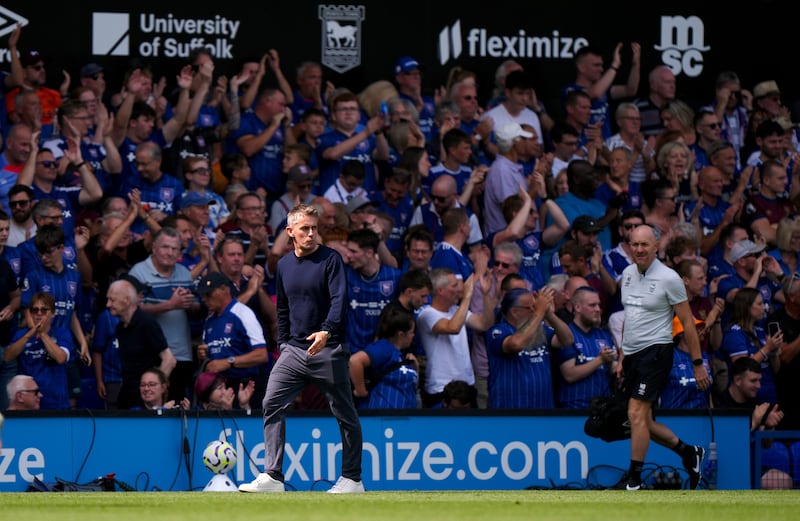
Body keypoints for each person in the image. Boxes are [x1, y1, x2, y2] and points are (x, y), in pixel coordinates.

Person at [239, 204, 364, 494]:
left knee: (344, 413)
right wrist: (283, 343)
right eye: (305, 228)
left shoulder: (331, 260)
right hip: (293, 351)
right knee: (271, 403)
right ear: (290, 232)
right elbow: (282, 308)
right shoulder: (283, 265)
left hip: (329, 348)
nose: (311, 233)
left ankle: (353, 479)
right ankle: (272, 476)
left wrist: (326, 331)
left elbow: (339, 302)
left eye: (314, 228)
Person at [619, 224, 710, 491]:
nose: (639, 249)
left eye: (644, 244)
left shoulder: (669, 278)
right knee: (643, 421)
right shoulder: (626, 274)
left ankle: (633, 480)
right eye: (634, 244)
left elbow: (688, 323)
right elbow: (630, 317)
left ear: (656, 247)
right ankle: (688, 452)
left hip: (657, 352)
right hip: (633, 356)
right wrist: (622, 357)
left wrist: (697, 364)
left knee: (635, 413)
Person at [128, 227, 198, 402]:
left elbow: (195, 308)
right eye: (165, 247)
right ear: (154, 247)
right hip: (150, 353)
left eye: (175, 249)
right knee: (150, 407)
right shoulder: (139, 272)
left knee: (177, 405)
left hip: (181, 353)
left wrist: (189, 304)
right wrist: (170, 305)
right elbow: (132, 310)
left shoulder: (184, 273)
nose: (170, 253)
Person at [486, 286, 572, 409]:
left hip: (543, 411)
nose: (535, 311)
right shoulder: (497, 331)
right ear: (515, 312)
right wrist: (539, 312)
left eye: (535, 307)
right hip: (509, 412)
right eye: (531, 308)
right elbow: (516, 344)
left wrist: (549, 314)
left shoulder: (540, 331)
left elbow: (567, 340)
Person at [195, 271, 268, 407]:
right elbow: (212, 355)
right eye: (203, 295)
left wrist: (229, 362)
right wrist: (204, 355)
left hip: (244, 386)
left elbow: (261, 354)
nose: (204, 299)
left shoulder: (243, 313)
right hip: (218, 388)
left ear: (223, 289)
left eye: (208, 294)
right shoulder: (209, 320)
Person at [106, 278, 176, 409]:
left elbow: (169, 360)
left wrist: (152, 389)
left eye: (112, 300)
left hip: (145, 401)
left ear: (126, 300)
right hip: (127, 394)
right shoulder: (120, 328)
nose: (108, 304)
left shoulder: (146, 323)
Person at [555, 286, 618, 409]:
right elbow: (569, 375)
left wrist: (616, 363)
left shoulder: (603, 335)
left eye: (599, 305)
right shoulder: (566, 335)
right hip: (574, 407)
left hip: (602, 407)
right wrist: (600, 360)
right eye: (592, 305)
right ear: (577, 307)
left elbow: (614, 369)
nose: (598, 309)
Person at [4, 292, 70, 410]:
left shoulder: (62, 334)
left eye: (44, 310)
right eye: (35, 310)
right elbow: (7, 357)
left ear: (52, 313)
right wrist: (28, 336)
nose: (39, 314)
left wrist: (42, 334)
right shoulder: (21, 335)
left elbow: (61, 358)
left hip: (56, 403)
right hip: (28, 404)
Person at [349, 306, 419, 409]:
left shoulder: (402, 355)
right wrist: (361, 391)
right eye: (411, 332)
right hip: (382, 416)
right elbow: (355, 361)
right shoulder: (384, 348)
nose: (413, 335)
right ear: (401, 334)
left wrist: (415, 367)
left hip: (404, 417)